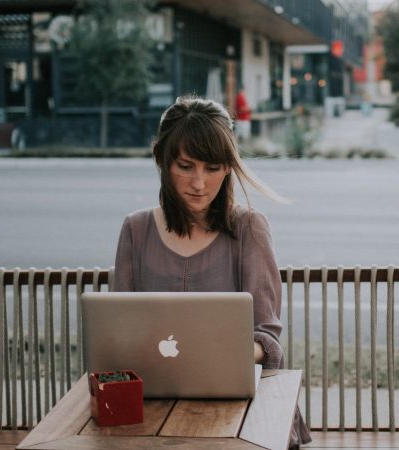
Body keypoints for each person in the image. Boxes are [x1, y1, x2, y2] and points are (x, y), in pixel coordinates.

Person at [112, 96, 310, 447]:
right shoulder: (135, 229)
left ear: (228, 167)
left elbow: (268, 339)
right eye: (185, 166)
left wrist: (211, 354)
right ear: (161, 159)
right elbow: (118, 331)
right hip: (155, 408)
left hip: (241, 413)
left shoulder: (249, 227)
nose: (199, 183)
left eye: (212, 167)